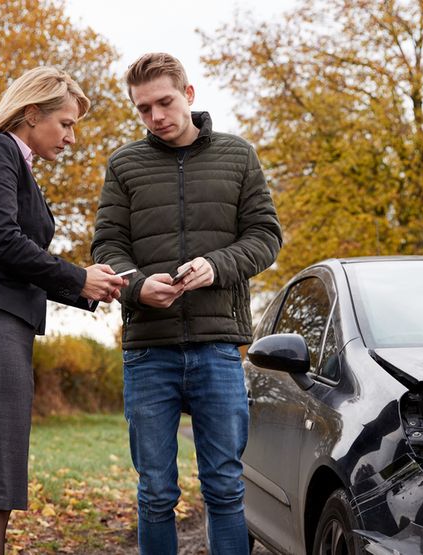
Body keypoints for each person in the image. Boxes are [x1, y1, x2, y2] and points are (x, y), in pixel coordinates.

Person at [92, 53, 282, 554]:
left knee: (224, 487)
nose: (156, 116)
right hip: (147, 350)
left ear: (189, 95)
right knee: (155, 493)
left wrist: (217, 265)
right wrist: (136, 286)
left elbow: (265, 236)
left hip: (217, 348)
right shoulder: (124, 164)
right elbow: (107, 246)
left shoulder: (238, 156)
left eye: (165, 102)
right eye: (143, 108)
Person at [0, 66, 128, 555]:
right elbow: (4, 243)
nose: (70, 137)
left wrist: (92, 288)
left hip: (3, 327)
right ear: (30, 114)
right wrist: (77, 277)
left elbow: (18, 262)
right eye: (64, 123)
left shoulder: (15, 164)